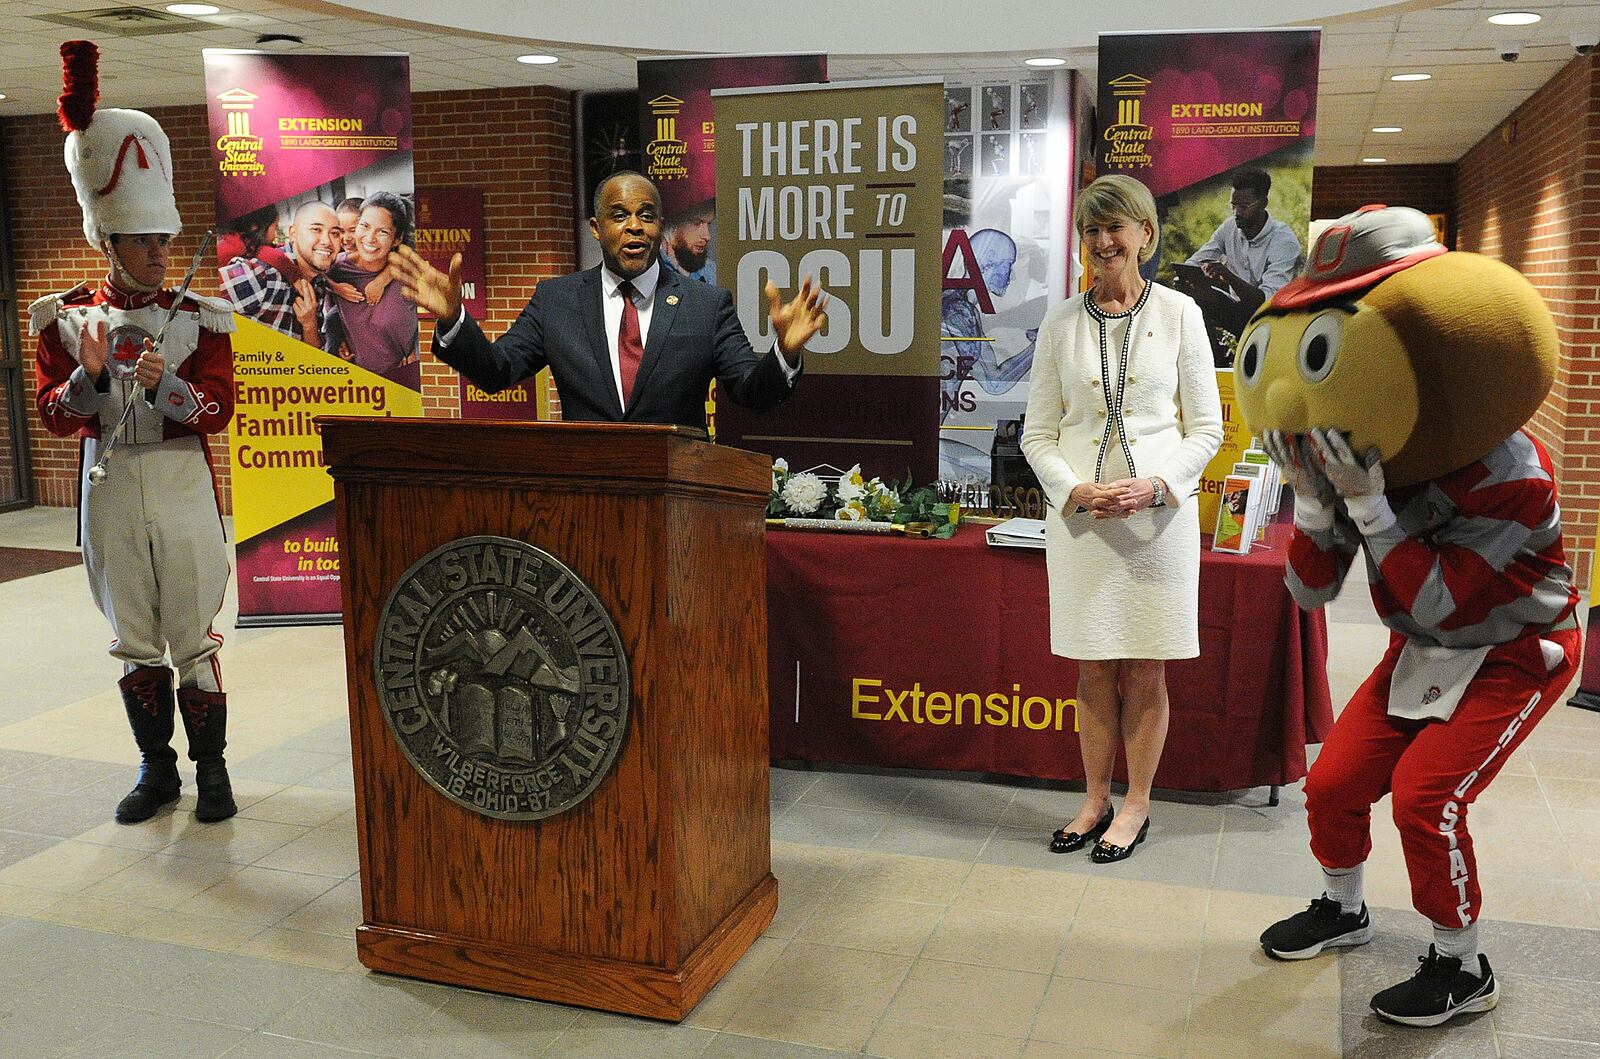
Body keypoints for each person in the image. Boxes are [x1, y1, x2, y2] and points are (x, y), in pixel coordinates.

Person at [1241, 206, 1577, 1027]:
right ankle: (1344, 908)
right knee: (1334, 780)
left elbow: (1442, 600)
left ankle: (1464, 962)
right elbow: (1311, 593)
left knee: (1428, 798)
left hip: (1513, 647)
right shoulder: (1378, 444)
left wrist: (1370, 509)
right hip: (1424, 646)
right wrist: (1319, 510)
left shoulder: (1513, 474)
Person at [33, 40, 238, 825]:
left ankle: (212, 770)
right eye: (143, 241)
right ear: (107, 239)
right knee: (134, 636)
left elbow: (222, 409)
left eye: (163, 240)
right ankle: (157, 770)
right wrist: (88, 379)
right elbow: (54, 417)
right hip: (107, 482)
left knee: (194, 632)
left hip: (182, 477)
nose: (159, 253)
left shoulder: (201, 317)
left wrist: (172, 385)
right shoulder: (63, 318)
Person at [1020, 174, 1222, 863]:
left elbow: (1207, 428)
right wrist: (1075, 490)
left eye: (1115, 228)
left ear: (1144, 233)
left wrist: (1161, 485)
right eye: (1090, 231)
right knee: (1091, 670)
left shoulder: (1181, 314)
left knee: (1146, 670)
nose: (1103, 243)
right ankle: (1093, 797)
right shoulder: (1060, 323)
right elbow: (1036, 435)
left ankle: (1137, 803)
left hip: (1158, 528)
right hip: (1083, 526)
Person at [388, 171, 827, 429]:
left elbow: (752, 393)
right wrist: (453, 320)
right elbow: (498, 371)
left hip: (678, 505)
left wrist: (785, 351)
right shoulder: (555, 301)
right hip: (585, 501)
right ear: (597, 228)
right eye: (620, 216)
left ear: (661, 229)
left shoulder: (706, 305)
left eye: (647, 216)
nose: (634, 227)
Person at [1175, 168, 1302, 362]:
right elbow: (1197, 260)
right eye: (1233, 205)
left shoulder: (1283, 241)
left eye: (1244, 206)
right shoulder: (1229, 227)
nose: (1237, 213)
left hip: (1272, 320)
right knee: (1190, 296)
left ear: (1263, 204)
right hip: (1239, 310)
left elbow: (1265, 302)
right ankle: (1214, 363)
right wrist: (1189, 276)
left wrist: (1227, 276)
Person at [323, 191, 420, 388]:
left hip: (406, 380)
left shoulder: (411, 272)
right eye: (364, 226)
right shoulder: (337, 268)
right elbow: (305, 273)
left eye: (382, 232)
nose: (370, 238)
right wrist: (334, 288)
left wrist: (417, 351)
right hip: (360, 384)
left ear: (397, 239)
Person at [218, 198, 340, 347]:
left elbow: (313, 356)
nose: (327, 241)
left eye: (335, 233)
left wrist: (310, 326)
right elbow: (194, 298)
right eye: (316, 230)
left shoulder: (318, 282)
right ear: (293, 233)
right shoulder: (264, 273)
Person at [661, 201, 715, 284]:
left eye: (708, 224)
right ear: (670, 225)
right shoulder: (651, 271)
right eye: (696, 223)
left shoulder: (711, 271)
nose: (707, 236)